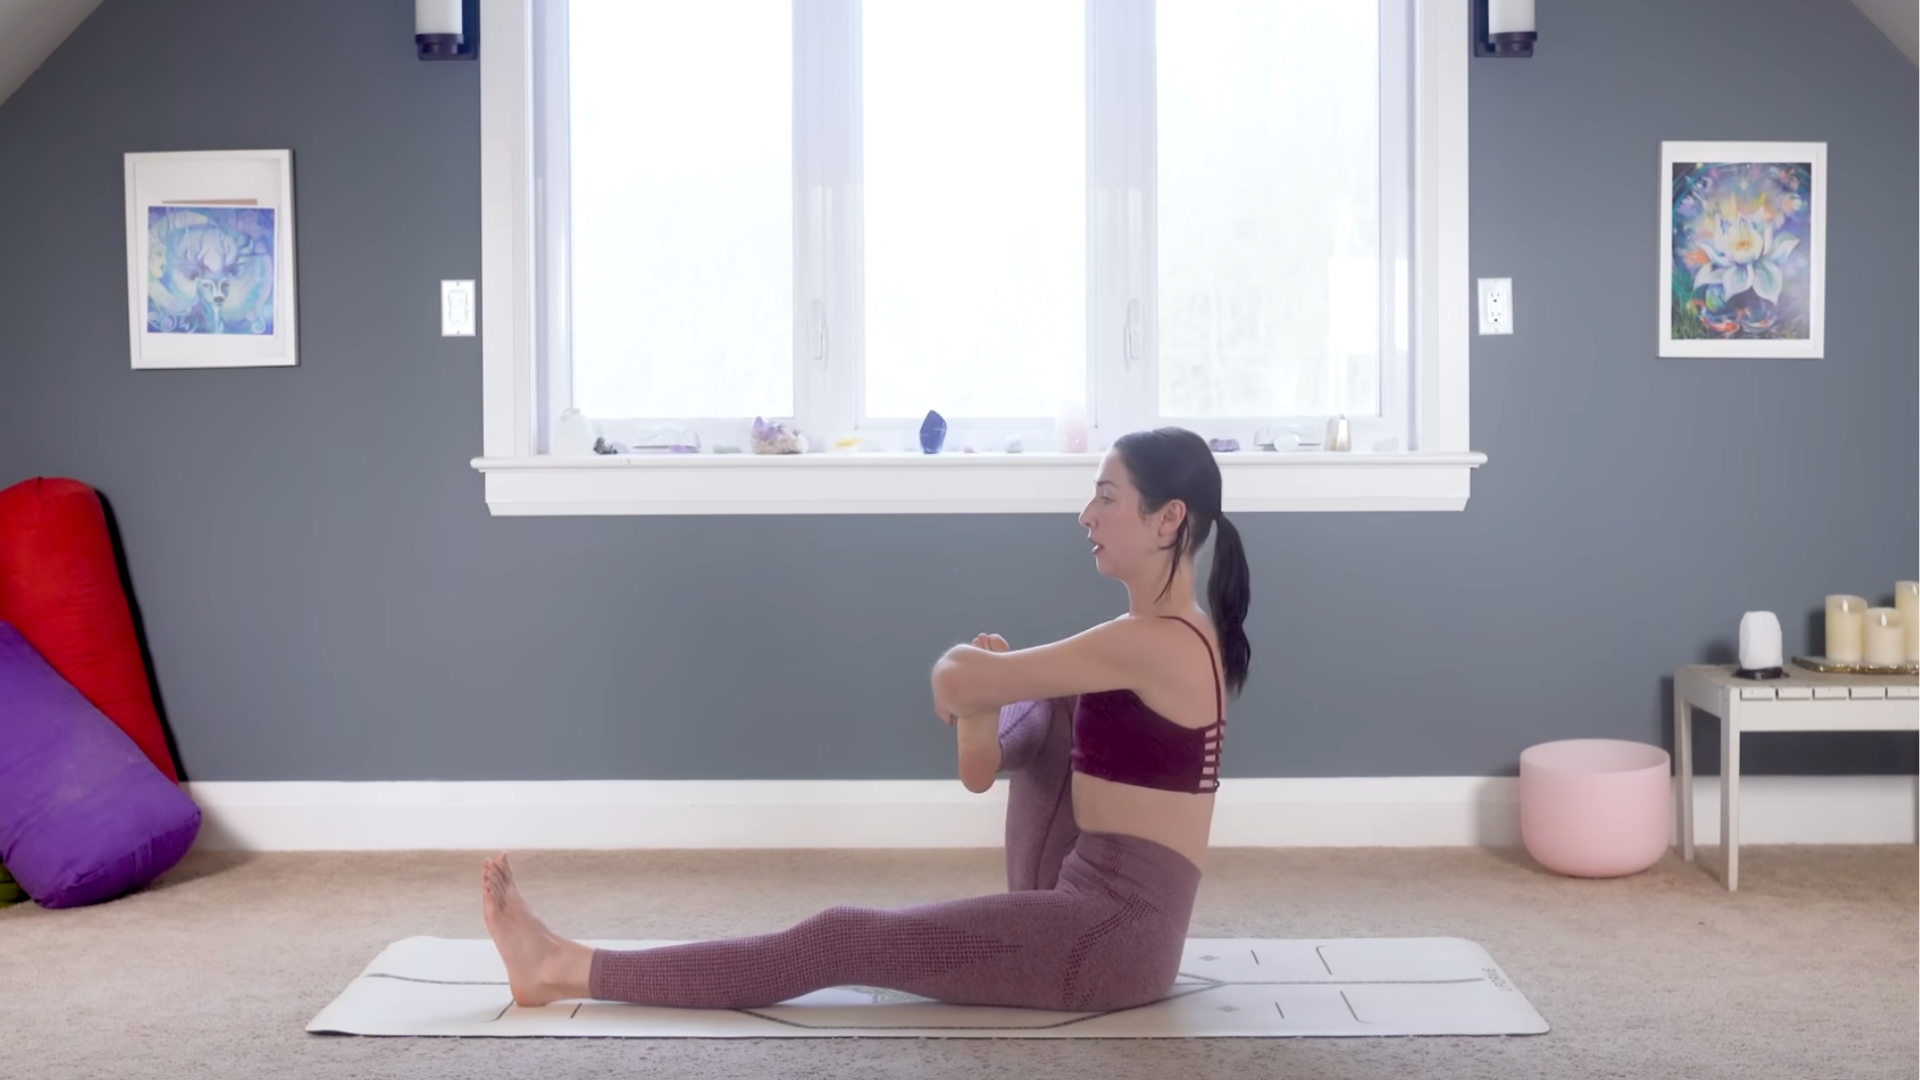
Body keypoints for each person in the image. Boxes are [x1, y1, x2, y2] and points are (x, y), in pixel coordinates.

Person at [480, 427, 1253, 1013]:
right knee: (1050, 711)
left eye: (1107, 497)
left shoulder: (1151, 644)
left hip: (1109, 941)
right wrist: (987, 703)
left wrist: (978, 682)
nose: (1086, 513)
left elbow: (953, 675)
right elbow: (978, 770)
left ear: (1168, 519)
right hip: (1099, 914)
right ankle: (558, 963)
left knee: (842, 937)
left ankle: (562, 968)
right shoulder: (1147, 643)